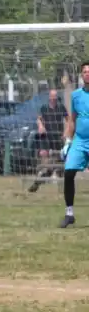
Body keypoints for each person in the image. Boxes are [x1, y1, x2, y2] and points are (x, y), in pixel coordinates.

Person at [57, 62, 89, 228]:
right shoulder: (76, 95)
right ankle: (69, 214)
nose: (87, 74)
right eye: (84, 71)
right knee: (69, 173)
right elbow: (72, 119)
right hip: (80, 141)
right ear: (81, 75)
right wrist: (68, 141)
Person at [28, 87, 69, 193]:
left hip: (58, 136)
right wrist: (41, 126)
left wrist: (66, 132)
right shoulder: (44, 107)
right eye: (52, 96)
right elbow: (39, 119)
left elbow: (69, 120)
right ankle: (43, 174)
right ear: (49, 97)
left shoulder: (61, 107)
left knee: (60, 159)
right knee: (44, 154)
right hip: (46, 136)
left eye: (55, 97)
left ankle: (45, 177)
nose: (53, 98)